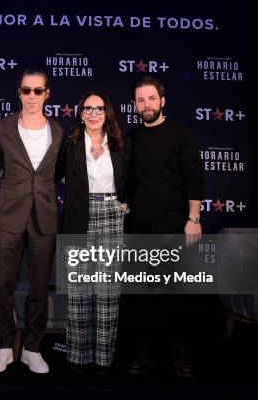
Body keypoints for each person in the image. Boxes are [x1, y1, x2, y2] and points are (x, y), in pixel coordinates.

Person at [125, 75, 204, 378]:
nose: (146, 104)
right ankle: (143, 353)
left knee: (177, 294)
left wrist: (193, 219)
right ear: (135, 104)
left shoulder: (180, 134)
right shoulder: (131, 138)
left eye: (151, 98)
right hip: (141, 225)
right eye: (141, 100)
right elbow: (127, 181)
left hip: (176, 226)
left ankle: (180, 352)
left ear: (162, 101)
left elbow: (194, 177)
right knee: (142, 295)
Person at [0, 70, 63, 374]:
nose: (32, 96)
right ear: (19, 93)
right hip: (9, 213)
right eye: (26, 90)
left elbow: (56, 173)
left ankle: (32, 348)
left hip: (44, 215)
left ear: (47, 94)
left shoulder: (58, 130)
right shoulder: (2, 127)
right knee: (2, 283)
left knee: (39, 286)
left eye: (38, 90)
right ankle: (4, 346)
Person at [57, 91, 129, 375]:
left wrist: (126, 204)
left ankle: (103, 358)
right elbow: (55, 175)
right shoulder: (71, 143)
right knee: (79, 291)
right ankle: (78, 357)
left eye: (99, 109)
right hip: (79, 217)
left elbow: (132, 178)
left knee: (107, 292)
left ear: (107, 112)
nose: (94, 114)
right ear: (81, 113)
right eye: (88, 109)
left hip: (112, 214)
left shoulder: (121, 144)